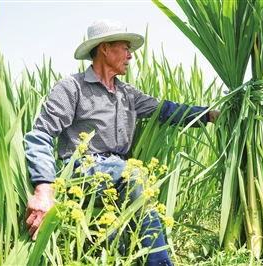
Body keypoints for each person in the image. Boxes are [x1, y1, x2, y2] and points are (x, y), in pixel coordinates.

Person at [24, 19, 218, 266]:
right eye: (125, 48)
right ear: (104, 48)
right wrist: (43, 188)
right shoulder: (72, 87)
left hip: (118, 172)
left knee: (117, 226)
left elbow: (165, 110)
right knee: (135, 176)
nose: (130, 56)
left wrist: (209, 115)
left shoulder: (128, 94)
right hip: (82, 170)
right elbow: (40, 133)